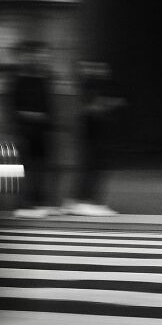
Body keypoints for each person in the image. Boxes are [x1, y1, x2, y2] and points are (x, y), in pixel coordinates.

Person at [63, 59, 126, 216]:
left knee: (96, 165)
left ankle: (84, 201)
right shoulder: (89, 85)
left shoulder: (97, 85)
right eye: (98, 67)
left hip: (97, 128)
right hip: (92, 128)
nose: (103, 70)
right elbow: (90, 108)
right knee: (92, 165)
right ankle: (83, 201)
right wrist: (107, 105)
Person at [8, 39, 54, 218]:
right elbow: (12, 107)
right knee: (25, 167)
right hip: (24, 130)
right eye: (39, 55)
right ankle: (24, 204)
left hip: (42, 131)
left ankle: (39, 202)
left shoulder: (44, 77)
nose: (43, 58)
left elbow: (48, 105)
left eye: (45, 55)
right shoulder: (17, 79)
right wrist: (31, 116)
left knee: (41, 167)